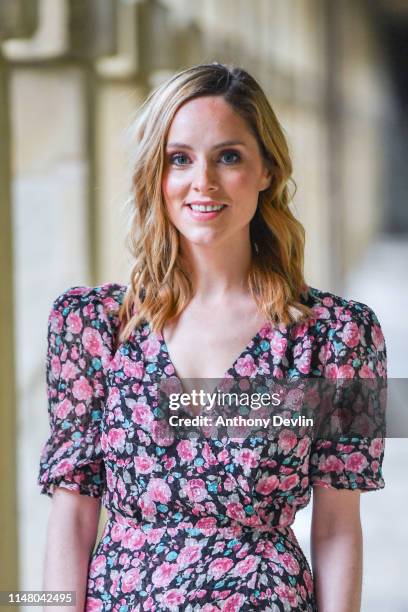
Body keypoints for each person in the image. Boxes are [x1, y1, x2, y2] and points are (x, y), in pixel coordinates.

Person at [38, 63, 387, 611]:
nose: (203, 182)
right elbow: (72, 515)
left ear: (267, 170)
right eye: (180, 159)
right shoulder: (91, 325)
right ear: (157, 173)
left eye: (229, 156)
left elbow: (338, 528)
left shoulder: (338, 336)